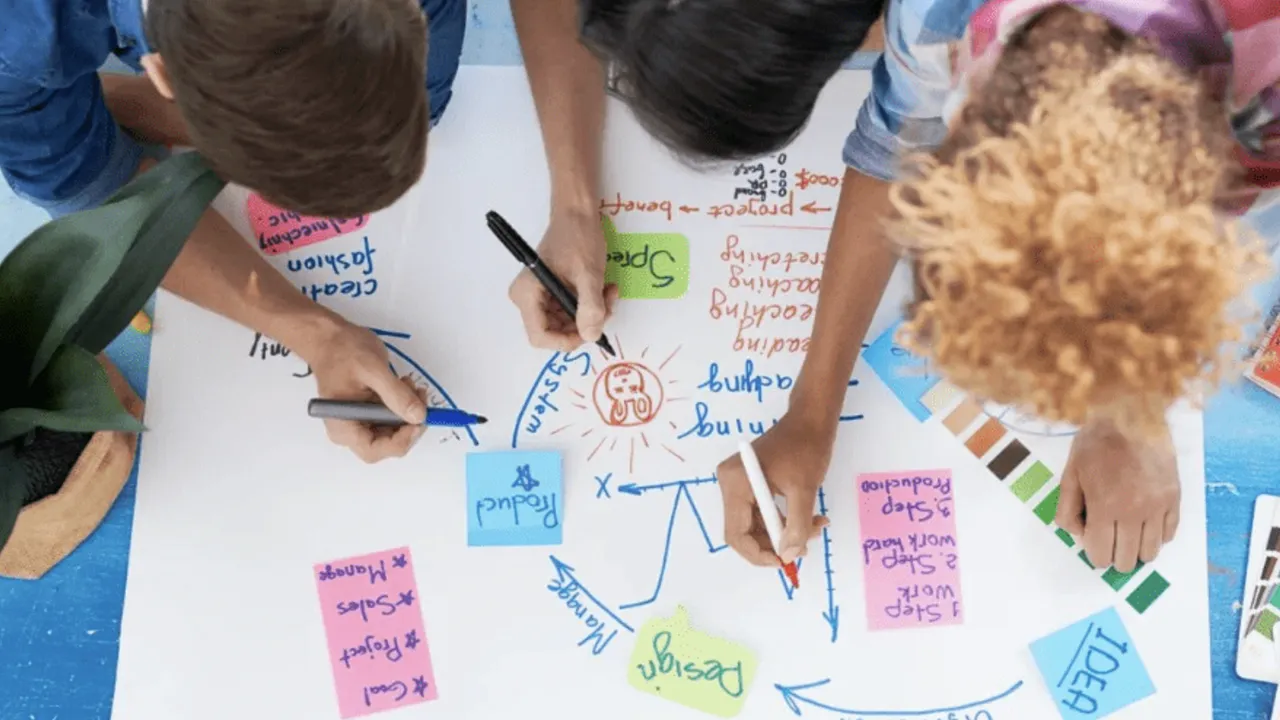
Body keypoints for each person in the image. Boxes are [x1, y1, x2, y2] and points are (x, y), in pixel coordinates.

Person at [510, 0, 1278, 574]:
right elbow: (893, 153)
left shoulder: (1255, 137)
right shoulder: (935, 16)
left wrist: (1132, 419)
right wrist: (810, 415)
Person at [1, 0, 466, 463]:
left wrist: (323, 338)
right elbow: (96, 191)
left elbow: (419, 97)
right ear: (163, 74)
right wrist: (311, 333)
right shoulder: (17, 46)